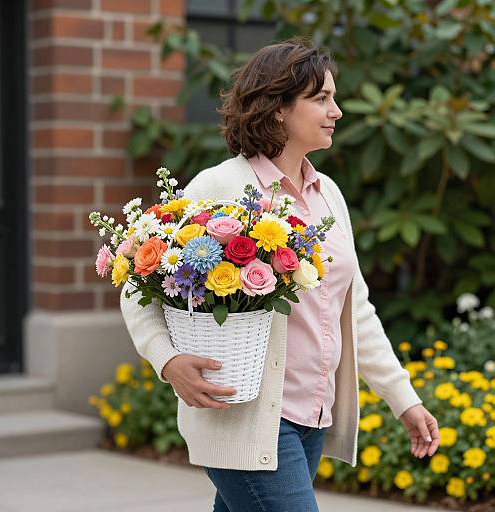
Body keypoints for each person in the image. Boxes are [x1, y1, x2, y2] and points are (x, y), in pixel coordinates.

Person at [119, 36, 440, 512]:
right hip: (243, 415)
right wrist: (167, 360)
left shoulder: (327, 194)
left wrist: (403, 399)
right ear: (277, 110)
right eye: (322, 99)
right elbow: (139, 281)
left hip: (312, 415)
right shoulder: (220, 185)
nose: (337, 111)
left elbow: (357, 310)